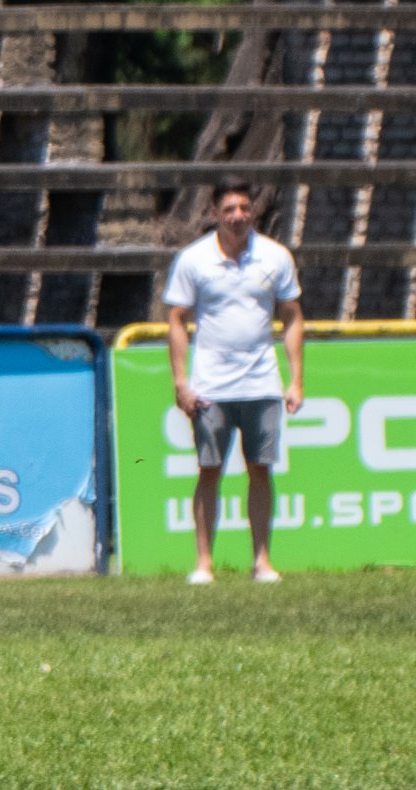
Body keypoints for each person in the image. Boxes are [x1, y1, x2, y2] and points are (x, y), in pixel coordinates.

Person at [165, 178, 305, 585]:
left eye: (244, 208)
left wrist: (296, 380)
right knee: (209, 469)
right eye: (229, 209)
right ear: (214, 214)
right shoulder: (194, 260)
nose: (238, 216)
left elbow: (292, 316)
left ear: (253, 211)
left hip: (261, 381)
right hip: (211, 385)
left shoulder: (275, 257)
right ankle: (204, 563)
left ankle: (261, 561)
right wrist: (181, 382)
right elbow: (177, 320)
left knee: (260, 469)